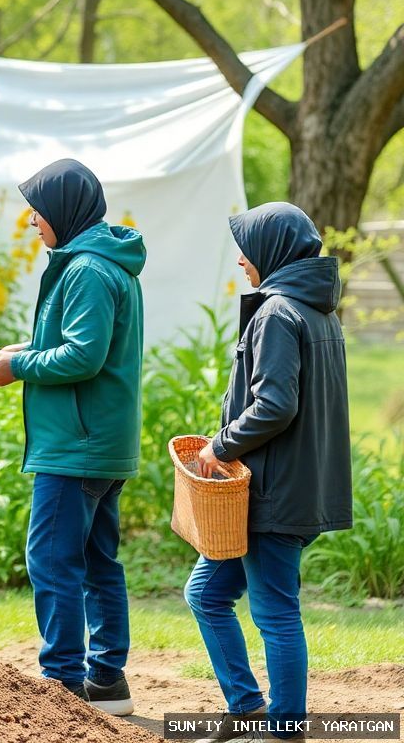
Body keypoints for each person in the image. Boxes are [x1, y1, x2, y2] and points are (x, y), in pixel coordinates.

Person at [0, 158, 145, 715]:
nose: (31, 221)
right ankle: (107, 681)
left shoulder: (86, 271)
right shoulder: (104, 263)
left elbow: (84, 355)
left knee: (52, 561)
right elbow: (84, 344)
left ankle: (62, 687)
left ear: (64, 209)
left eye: (38, 210)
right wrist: (19, 352)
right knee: (98, 562)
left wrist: (19, 368)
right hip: (100, 442)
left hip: (76, 447)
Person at [185, 203, 351, 741]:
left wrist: (220, 444)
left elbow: (275, 405)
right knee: (207, 595)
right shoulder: (318, 310)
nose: (240, 259)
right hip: (291, 488)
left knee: (276, 612)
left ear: (272, 251)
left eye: (247, 248)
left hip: (272, 495)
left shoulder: (279, 312)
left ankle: (285, 729)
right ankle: (247, 707)